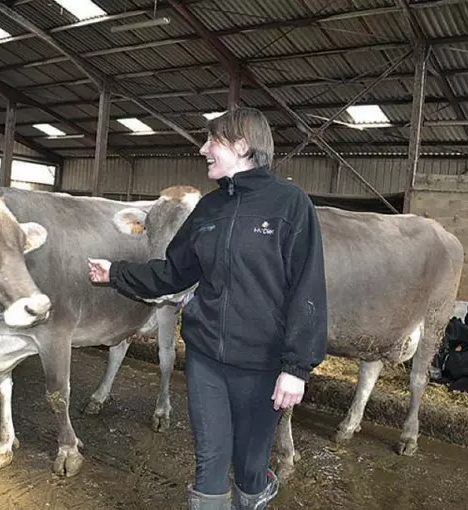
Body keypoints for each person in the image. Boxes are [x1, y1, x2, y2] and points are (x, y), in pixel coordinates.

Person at [87, 107, 328, 510]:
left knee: (250, 466)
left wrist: (296, 368)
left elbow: (308, 289)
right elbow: (174, 273)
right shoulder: (210, 210)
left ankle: (256, 493)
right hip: (206, 360)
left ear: (241, 145)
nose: (203, 150)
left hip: (262, 364)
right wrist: (116, 273)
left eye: (211, 142)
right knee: (209, 463)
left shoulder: (290, 205)